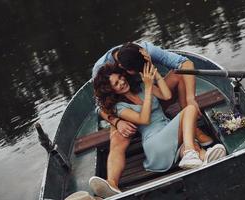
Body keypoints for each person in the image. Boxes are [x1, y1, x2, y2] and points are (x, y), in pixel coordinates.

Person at [89, 64, 226, 198]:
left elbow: (166, 96)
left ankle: (205, 157)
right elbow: (144, 119)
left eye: (120, 77)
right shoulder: (119, 107)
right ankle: (191, 153)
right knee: (189, 110)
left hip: (168, 133)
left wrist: (156, 77)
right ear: (112, 90)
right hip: (154, 143)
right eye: (116, 83)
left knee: (190, 144)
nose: (122, 82)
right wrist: (149, 88)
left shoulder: (142, 87)